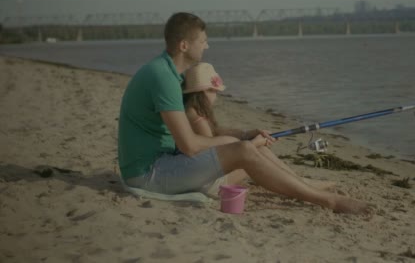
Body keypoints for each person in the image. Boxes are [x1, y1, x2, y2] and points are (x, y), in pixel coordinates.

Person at [118, 12, 369, 214]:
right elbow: (191, 145)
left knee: (249, 148)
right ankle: (327, 201)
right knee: (244, 150)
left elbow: (194, 139)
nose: (207, 45)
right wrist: (237, 141)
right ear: (184, 45)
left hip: (165, 162)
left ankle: (303, 185)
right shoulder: (163, 78)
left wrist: (245, 134)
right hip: (149, 173)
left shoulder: (168, 74)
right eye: (203, 41)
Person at [182, 62, 336, 192]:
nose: (216, 95)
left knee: (259, 151)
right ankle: (299, 184)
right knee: (256, 155)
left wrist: (246, 134)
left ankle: (298, 181)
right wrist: (253, 144)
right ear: (203, 92)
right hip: (208, 182)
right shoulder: (197, 118)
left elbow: (216, 133)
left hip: (205, 175)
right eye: (214, 91)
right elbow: (211, 154)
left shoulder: (194, 112)